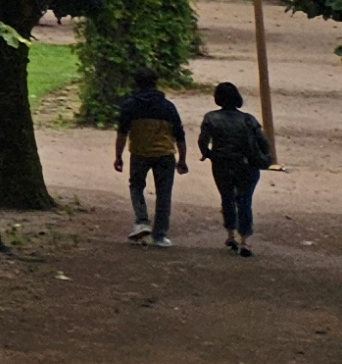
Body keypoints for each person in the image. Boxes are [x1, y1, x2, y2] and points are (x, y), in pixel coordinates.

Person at [113, 68, 190, 247]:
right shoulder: (168, 107)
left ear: (136, 84)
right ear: (156, 83)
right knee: (164, 193)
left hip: (139, 153)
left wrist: (118, 156)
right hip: (165, 154)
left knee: (137, 186)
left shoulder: (129, 106)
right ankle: (160, 234)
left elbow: (122, 134)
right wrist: (183, 160)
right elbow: (180, 136)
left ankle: (141, 221)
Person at [201, 80, 273, 257]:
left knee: (227, 197)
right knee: (245, 200)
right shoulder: (249, 119)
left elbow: (203, 141)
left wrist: (209, 154)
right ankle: (245, 241)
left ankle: (230, 234)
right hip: (246, 164)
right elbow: (264, 143)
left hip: (222, 163)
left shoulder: (210, 118)